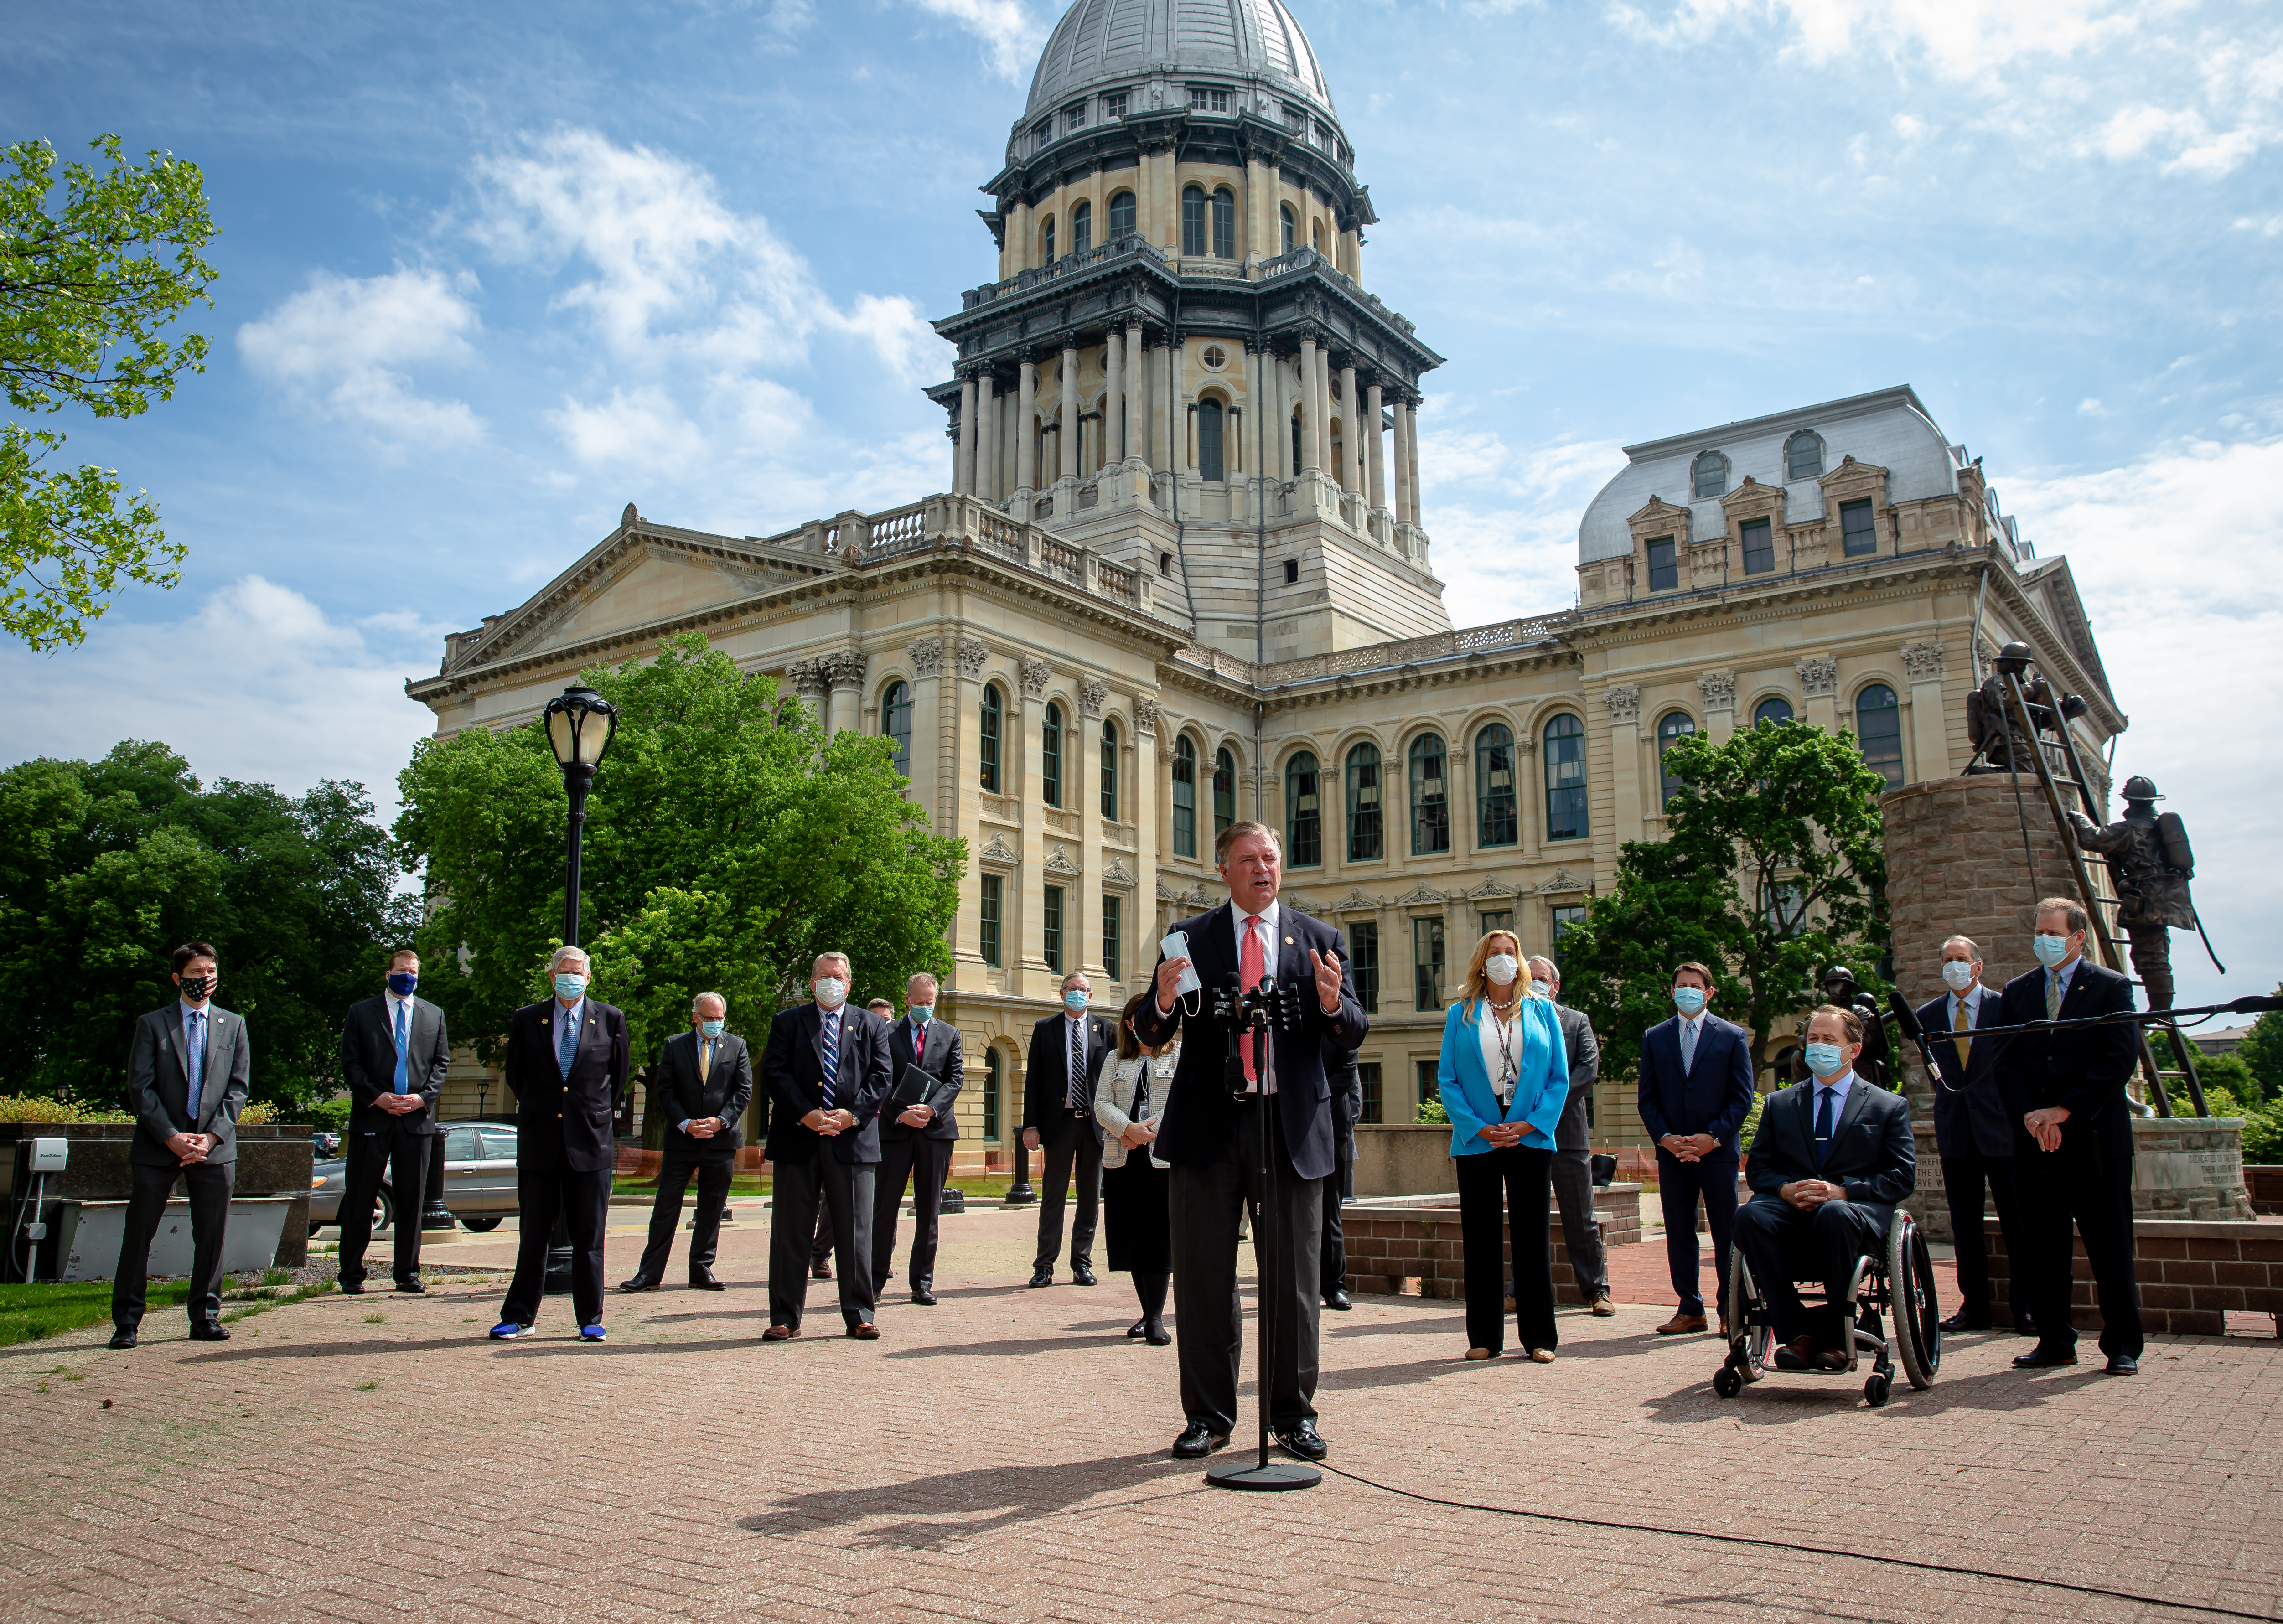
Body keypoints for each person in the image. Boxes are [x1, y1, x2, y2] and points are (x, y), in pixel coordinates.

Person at [1136, 822, 1367, 1464]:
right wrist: (1158, 1000)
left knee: (1293, 1281)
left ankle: (1292, 1415)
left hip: (1288, 1128)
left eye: (1270, 857)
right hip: (1208, 1127)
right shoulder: (1190, 939)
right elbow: (1152, 1031)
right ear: (1224, 870)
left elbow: (1353, 1028)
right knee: (1205, 1279)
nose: (1262, 868)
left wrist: (1330, 1005)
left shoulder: (1319, 939)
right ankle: (1208, 1417)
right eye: (1248, 859)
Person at [1996, 897, 2144, 1375]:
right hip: (2036, 1140)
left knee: (2109, 1245)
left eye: (2053, 932)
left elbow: (2118, 1059)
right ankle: (2054, 1339)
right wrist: (2033, 1116)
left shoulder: (2110, 987)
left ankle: (2122, 1344)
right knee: (2044, 1248)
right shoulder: (2017, 993)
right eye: (2038, 930)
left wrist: (2065, 1111)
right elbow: (2006, 1063)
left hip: (2095, 1137)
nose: (2043, 939)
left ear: (2078, 937)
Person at [1732, 1004, 1916, 1368]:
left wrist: (1843, 1192)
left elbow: (1900, 1177)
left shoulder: (1887, 1107)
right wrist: (1786, 1190)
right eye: (1812, 1039)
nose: (1818, 1046)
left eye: (1829, 1040)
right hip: (1792, 1211)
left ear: (1854, 1050)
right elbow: (1761, 1169)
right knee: (1750, 1216)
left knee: (1834, 1214)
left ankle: (1837, 1335)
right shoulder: (1781, 1104)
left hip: (1854, 1217)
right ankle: (1798, 1333)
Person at [110, 941, 250, 1349]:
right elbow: (141, 1088)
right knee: (139, 1234)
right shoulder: (152, 1024)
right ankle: (128, 1322)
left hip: (215, 1146)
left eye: (210, 972)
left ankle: (205, 1316)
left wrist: (210, 1137)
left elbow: (238, 1090)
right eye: (195, 974)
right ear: (177, 978)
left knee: (211, 1235)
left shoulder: (234, 1025)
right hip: (160, 1146)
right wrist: (171, 1137)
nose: (204, 980)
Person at [1440, 933, 1569, 1362]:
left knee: (1532, 1238)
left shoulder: (1542, 1010)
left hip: (1529, 1132)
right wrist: (1477, 1128)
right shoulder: (1461, 1014)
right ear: (1481, 962)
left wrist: (1532, 1123)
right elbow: (1448, 1080)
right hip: (1479, 1136)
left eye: (1508, 953)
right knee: (1480, 1238)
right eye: (1494, 954)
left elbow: (1557, 1077)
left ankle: (1539, 1338)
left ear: (1519, 962)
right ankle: (1483, 1338)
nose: (1502, 960)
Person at [492, 946, 630, 1341]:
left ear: (588, 978)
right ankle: (519, 1316)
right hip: (540, 1144)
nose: (571, 977)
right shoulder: (526, 1019)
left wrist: (586, 1112)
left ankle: (590, 1318)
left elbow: (615, 1080)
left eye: (578, 972)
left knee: (589, 1239)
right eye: (564, 971)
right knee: (534, 1236)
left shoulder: (610, 1019)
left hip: (590, 1145)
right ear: (552, 977)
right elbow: (516, 1076)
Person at [761, 953, 891, 1340]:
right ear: (812, 980)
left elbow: (882, 1077)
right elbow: (774, 1073)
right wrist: (806, 1114)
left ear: (849, 984)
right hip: (798, 1139)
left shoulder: (871, 1025)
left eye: (837, 977)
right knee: (791, 1232)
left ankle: (860, 1315)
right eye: (823, 976)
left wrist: (852, 1116)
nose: (830, 982)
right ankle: (785, 1317)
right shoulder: (787, 1022)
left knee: (856, 1233)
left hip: (852, 1142)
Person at [1917, 935, 2035, 1336]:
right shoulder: (1928, 1015)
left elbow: (2019, 1066)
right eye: (1947, 959)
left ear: (1977, 966)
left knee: (2017, 1221)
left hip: (2002, 1130)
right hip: (1956, 1131)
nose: (1954, 966)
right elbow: (1936, 1072)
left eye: (1961, 959)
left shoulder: (2004, 1006)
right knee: (1964, 1225)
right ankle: (1975, 1308)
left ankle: (2027, 1308)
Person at [1636, 961, 1756, 1336]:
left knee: (1725, 1233)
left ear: (1708, 992)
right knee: (1679, 1233)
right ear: (1671, 991)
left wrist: (1713, 1137)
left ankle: (1728, 1309)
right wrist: (1666, 1139)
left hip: (1717, 1152)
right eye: (1681, 985)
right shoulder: (1655, 1037)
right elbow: (1647, 1098)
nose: (1687, 990)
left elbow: (1742, 1097)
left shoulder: (1732, 1036)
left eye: (1695, 985)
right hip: (1673, 1154)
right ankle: (1690, 1308)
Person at [622, 992, 754, 1293]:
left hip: (721, 1141)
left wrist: (720, 1121)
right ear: (694, 1017)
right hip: (682, 1141)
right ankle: (649, 1274)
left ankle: (701, 1270)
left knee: (712, 1208)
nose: (715, 1023)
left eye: (720, 1018)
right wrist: (685, 1124)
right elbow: (665, 1090)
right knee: (666, 1207)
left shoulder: (737, 1046)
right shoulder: (674, 1045)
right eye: (709, 1018)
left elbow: (743, 1090)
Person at [337, 948, 451, 1296]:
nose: (409, 977)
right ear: (388, 975)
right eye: (403, 971)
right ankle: (352, 1273)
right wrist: (377, 1097)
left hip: (416, 1122)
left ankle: (407, 1273)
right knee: (360, 1197)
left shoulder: (434, 1014)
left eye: (414, 972)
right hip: (373, 1117)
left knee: (412, 1200)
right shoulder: (361, 1013)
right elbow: (351, 1063)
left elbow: (441, 1063)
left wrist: (422, 1098)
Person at [1021, 971, 1117, 1288]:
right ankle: (1044, 1265)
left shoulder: (1107, 1030)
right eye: (1071, 989)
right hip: (1058, 1124)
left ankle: (1082, 1263)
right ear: (1061, 994)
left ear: (1091, 997)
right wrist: (1030, 1125)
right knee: (1054, 1196)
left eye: (1083, 990)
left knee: (1090, 1196)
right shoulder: (1044, 1029)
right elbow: (1033, 1080)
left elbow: (1116, 1078)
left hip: (1095, 1124)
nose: (1077, 994)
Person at [873, 973, 963, 1306]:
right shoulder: (885, 1032)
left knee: (929, 1211)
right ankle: (874, 1281)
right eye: (920, 1002)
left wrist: (931, 1109)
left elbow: (955, 1079)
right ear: (908, 999)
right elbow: (876, 1079)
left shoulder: (950, 1034)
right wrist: (898, 1114)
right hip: (895, 1132)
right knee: (884, 1210)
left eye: (931, 1003)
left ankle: (921, 1282)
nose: (926, 1008)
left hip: (935, 1131)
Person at [1528, 955, 1611, 1318]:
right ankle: (1521, 1290)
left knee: (1581, 1216)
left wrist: (1546, 1107)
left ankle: (1597, 1290)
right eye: (1528, 978)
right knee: (1527, 1216)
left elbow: (1587, 1069)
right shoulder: (1511, 1021)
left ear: (1555, 985)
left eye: (1541, 978)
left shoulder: (1577, 1021)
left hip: (1567, 1133)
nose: (1535, 983)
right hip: (1526, 1134)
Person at [1096, 991, 1177, 1345]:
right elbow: (1101, 1103)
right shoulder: (1116, 1058)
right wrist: (1126, 1129)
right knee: (1133, 1237)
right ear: (1130, 1023)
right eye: (1139, 1018)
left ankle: (1156, 1318)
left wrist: (1145, 1132)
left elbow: (1181, 1102)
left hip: (1162, 1162)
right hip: (1123, 1159)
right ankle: (1146, 1313)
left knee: (1159, 1237)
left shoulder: (1177, 1054)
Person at [1320, 1039, 1362, 1312]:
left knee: (1330, 1211)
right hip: (1287, 1122)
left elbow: (1348, 1075)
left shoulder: (1339, 1021)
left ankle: (1334, 1286)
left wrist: (1310, 1099)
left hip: (1331, 1123)